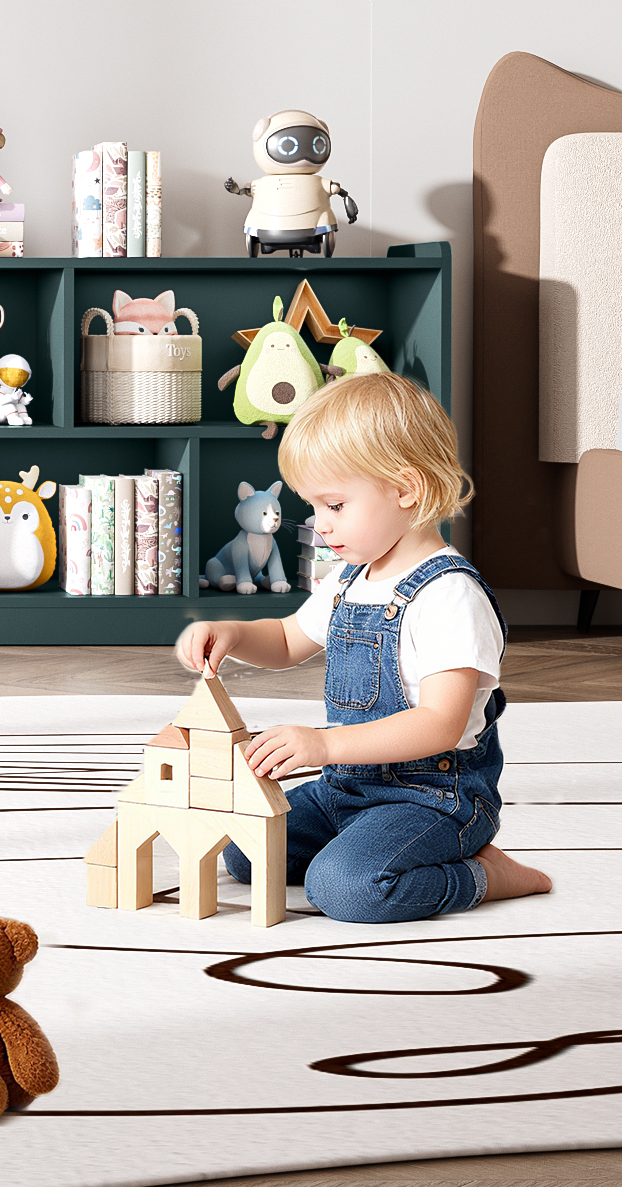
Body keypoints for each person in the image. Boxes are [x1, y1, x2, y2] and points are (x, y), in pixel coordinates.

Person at [176, 372, 551, 923]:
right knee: (245, 849)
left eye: (334, 505)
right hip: (347, 787)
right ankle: (366, 841)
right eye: (313, 506)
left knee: (346, 889)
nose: (319, 525)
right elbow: (288, 639)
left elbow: (440, 724)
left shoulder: (450, 596)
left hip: (433, 798)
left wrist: (323, 744)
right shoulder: (351, 578)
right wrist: (232, 634)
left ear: (405, 489)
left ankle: (487, 874)